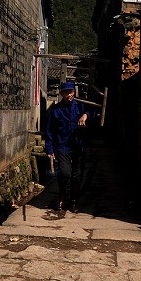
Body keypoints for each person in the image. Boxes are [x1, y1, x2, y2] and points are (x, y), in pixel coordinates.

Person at [45, 80, 88, 213]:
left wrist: (85, 116)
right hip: (62, 145)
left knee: (76, 175)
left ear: (73, 92)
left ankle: (73, 200)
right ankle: (62, 196)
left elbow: (91, 112)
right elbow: (50, 130)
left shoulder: (80, 107)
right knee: (65, 173)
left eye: (70, 92)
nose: (68, 95)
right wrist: (50, 149)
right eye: (65, 92)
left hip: (78, 145)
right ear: (61, 93)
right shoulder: (56, 110)